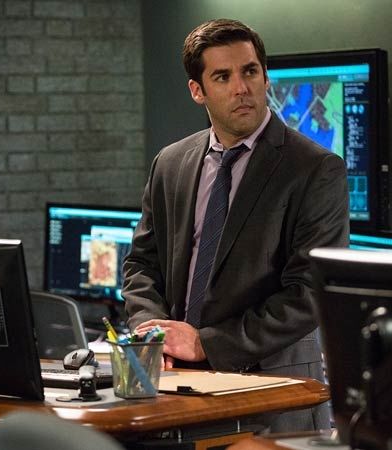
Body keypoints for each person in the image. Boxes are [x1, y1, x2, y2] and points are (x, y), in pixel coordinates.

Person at [122, 19, 348, 432]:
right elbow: (141, 264)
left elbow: (310, 293)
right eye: (223, 77)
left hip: (272, 395)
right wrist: (152, 334)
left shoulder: (314, 169)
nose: (242, 88)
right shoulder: (170, 163)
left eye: (250, 71)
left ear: (265, 76)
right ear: (197, 91)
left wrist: (205, 343)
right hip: (174, 388)